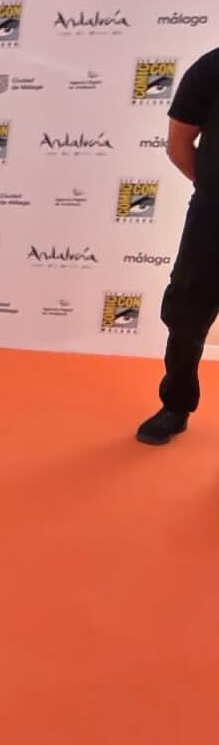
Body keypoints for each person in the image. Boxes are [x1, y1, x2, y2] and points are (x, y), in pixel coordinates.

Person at [137, 46, 219, 446]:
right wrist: (212, 188)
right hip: (213, 219)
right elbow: (178, 144)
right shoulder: (212, 68)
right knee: (185, 315)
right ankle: (175, 405)